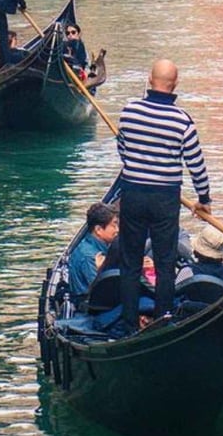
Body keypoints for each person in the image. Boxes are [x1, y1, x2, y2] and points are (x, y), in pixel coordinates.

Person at [114, 59, 212, 336]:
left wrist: (137, 164)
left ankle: (130, 326)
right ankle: (162, 323)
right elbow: (196, 165)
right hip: (165, 199)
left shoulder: (129, 111)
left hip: (132, 192)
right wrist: (203, 199)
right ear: (175, 85)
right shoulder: (183, 121)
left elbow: (122, 149)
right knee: (165, 263)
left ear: (149, 79)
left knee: (130, 262)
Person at [68, 202, 119, 308]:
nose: (117, 230)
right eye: (114, 225)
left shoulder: (95, 246)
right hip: (89, 305)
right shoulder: (89, 257)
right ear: (98, 230)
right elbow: (101, 291)